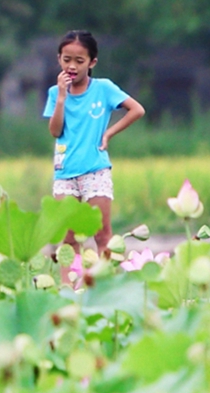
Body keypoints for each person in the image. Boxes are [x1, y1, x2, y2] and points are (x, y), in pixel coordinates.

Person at [43, 30, 144, 250]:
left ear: (92, 62)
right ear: (59, 58)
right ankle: (69, 284)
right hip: (65, 171)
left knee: (102, 235)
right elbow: (55, 130)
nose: (72, 66)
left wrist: (108, 133)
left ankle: (106, 283)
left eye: (79, 61)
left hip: (95, 170)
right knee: (68, 238)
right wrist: (61, 98)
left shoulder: (103, 88)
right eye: (67, 59)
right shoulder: (55, 93)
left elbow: (137, 110)